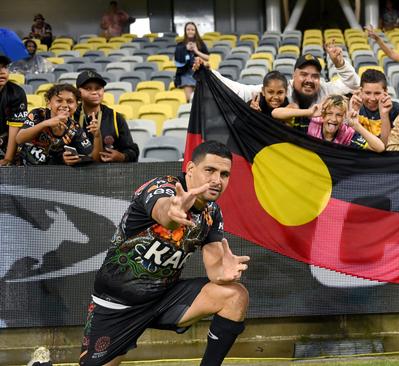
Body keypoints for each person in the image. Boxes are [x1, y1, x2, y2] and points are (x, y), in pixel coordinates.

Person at [79, 141, 250, 366]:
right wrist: (173, 211)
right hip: (118, 304)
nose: (217, 180)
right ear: (190, 169)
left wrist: (225, 271)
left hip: (164, 298)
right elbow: (164, 211)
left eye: (224, 174)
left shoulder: (212, 213)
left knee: (235, 295)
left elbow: (215, 270)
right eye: (210, 170)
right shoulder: (161, 187)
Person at [207, 45, 359, 132]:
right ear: (294, 75)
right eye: (304, 74)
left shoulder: (326, 89)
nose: (309, 80)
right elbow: (239, 90)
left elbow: (353, 84)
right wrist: (208, 72)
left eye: (314, 76)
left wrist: (340, 64)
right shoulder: (280, 90)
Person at [16, 84, 98, 166]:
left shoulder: (74, 128)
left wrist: (73, 159)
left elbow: (90, 155)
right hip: (24, 170)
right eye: (59, 101)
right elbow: (19, 139)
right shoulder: (38, 114)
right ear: (49, 103)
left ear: (76, 105)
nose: (65, 105)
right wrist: (45, 123)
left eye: (70, 101)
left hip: (52, 174)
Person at [73, 70, 139, 163]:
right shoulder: (71, 117)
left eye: (98, 88)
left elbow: (132, 151)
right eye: (88, 89)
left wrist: (121, 156)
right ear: (78, 92)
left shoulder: (116, 118)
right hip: (76, 173)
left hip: (110, 173)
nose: (94, 92)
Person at [307, 94, 385, 152]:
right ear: (323, 115)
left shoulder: (347, 133)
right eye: (329, 113)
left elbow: (380, 148)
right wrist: (308, 112)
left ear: (343, 118)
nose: (334, 119)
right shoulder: (312, 124)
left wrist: (356, 125)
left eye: (339, 115)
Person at [353, 69, 399, 144]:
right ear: (361, 90)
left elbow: (386, 145)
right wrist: (354, 112)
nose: (372, 98)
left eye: (377, 93)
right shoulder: (354, 107)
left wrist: (384, 114)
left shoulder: (396, 109)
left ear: (385, 91)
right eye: (368, 93)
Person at [0, 55, 28, 166]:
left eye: (5, 67)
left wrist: (8, 159)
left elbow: (15, 128)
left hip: (7, 141)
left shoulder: (16, 93)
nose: (2, 72)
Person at [175, 22, 210, 102]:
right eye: (188, 29)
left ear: (195, 31)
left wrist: (196, 51)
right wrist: (185, 49)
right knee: (190, 100)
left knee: (200, 100)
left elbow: (207, 57)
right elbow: (177, 60)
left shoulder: (200, 43)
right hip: (186, 74)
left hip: (199, 73)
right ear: (185, 31)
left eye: (192, 30)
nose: (190, 31)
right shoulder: (180, 45)